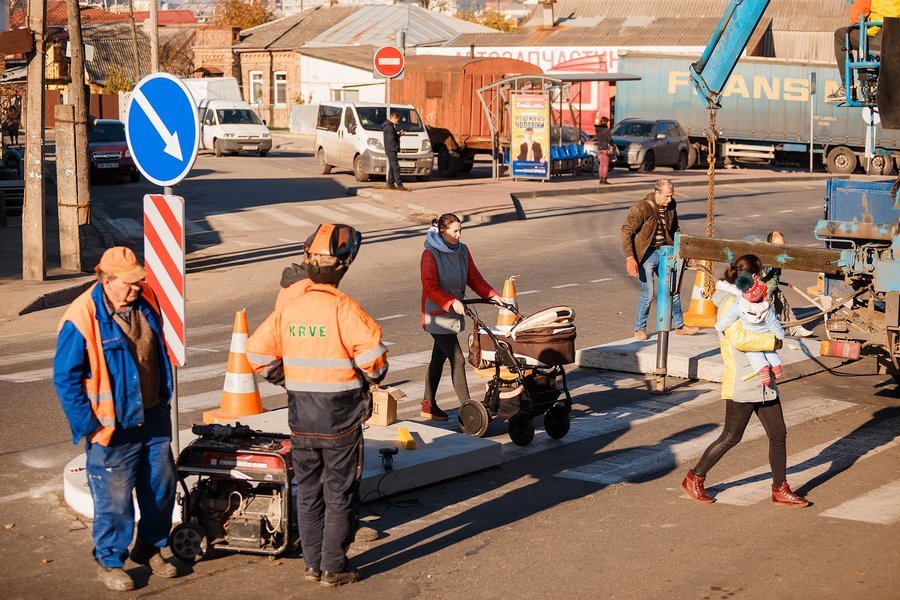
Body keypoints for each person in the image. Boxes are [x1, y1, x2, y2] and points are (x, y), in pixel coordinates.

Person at [247, 224, 387, 588]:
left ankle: (312, 564)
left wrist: (286, 377)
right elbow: (375, 363)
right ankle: (333, 567)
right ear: (343, 267)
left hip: (301, 417)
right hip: (340, 419)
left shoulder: (291, 308)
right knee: (338, 493)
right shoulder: (344, 309)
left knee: (308, 491)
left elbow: (256, 353)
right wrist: (369, 376)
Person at [53, 247, 180, 592]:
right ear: (106, 281)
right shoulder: (82, 316)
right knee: (114, 499)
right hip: (112, 426)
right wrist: (90, 427)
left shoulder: (146, 299)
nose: (137, 287)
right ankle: (109, 561)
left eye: (139, 280)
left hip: (152, 417)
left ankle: (150, 547)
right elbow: (65, 378)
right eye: (129, 283)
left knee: (160, 488)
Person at [681, 254, 810, 508]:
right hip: (743, 379)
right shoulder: (731, 302)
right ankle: (694, 477)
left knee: (778, 434)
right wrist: (774, 341)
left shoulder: (753, 297)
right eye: (760, 274)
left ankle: (779, 488)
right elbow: (739, 339)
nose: (762, 279)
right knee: (731, 436)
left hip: (764, 379)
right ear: (752, 276)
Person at [420, 213, 501, 420]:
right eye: (455, 231)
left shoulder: (463, 250)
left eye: (460, 230)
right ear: (442, 232)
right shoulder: (430, 254)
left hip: (454, 313)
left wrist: (492, 295)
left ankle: (428, 404)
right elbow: (430, 287)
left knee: (437, 359)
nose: (459, 235)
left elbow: (474, 278)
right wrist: (451, 302)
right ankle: (469, 410)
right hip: (437, 315)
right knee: (457, 359)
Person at [620, 179, 699, 340]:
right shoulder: (641, 207)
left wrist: (686, 251)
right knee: (648, 294)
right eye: (666, 196)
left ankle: (679, 325)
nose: (669, 200)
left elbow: (676, 228)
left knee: (673, 289)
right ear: (657, 193)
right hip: (646, 254)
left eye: (671, 196)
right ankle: (639, 329)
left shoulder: (671, 206)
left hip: (665, 252)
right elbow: (626, 231)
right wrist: (630, 257)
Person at [715, 271, 785, 386]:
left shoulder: (739, 305)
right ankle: (776, 365)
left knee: (753, 353)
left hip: (750, 332)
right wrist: (780, 336)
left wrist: (719, 326)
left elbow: (728, 317)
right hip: (766, 333)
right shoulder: (766, 309)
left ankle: (763, 370)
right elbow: (774, 324)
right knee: (770, 351)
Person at [827, 0, 900, 103]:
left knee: (840, 35)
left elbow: (857, 16)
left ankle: (847, 87)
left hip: (880, 37)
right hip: (896, 38)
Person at [763, 231, 814, 337]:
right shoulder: (765, 255)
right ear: (770, 244)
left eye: (783, 245)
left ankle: (795, 328)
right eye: (779, 245)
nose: (782, 248)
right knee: (769, 310)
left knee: (782, 303)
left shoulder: (778, 254)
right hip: (759, 288)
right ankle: (771, 332)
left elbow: (774, 277)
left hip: (769, 285)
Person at [383, 112, 407, 191]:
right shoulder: (389, 127)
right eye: (397, 120)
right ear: (394, 118)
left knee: (392, 166)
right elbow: (391, 140)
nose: (398, 122)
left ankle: (390, 183)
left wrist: (399, 134)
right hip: (391, 150)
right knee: (396, 167)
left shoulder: (389, 126)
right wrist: (395, 147)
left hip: (390, 149)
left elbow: (393, 137)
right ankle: (399, 185)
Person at [594, 116, 613, 185]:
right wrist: (613, 145)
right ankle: (604, 179)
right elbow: (609, 139)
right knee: (606, 165)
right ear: (606, 122)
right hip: (605, 148)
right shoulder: (606, 130)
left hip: (600, 148)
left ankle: (600, 178)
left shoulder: (597, 129)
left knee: (601, 164)